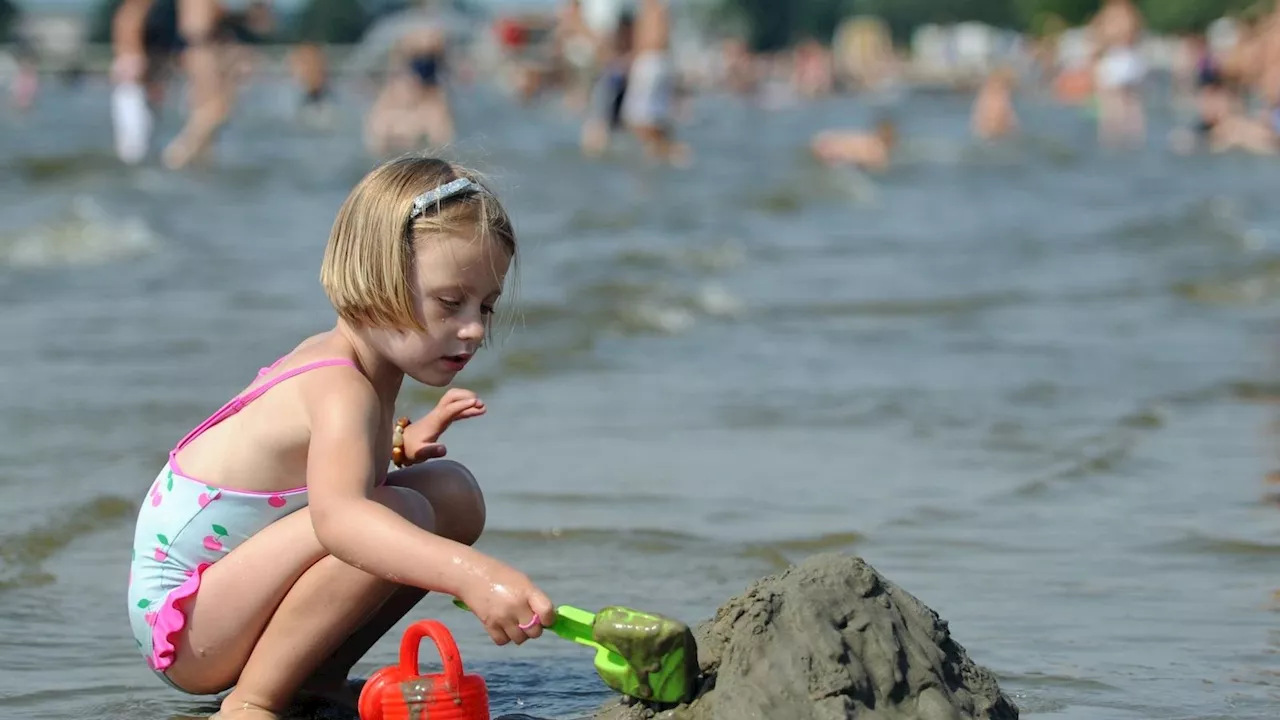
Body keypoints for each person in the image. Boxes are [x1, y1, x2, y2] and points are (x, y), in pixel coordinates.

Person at [126, 156, 555, 720]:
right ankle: (254, 702)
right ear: (376, 277)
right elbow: (341, 521)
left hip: (229, 600)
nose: (474, 327)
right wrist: (475, 576)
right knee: (388, 513)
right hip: (186, 622)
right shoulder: (338, 385)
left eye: (486, 306)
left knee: (450, 493)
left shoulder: (366, 371)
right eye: (451, 303)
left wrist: (397, 444)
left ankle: (315, 678)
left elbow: (310, 471)